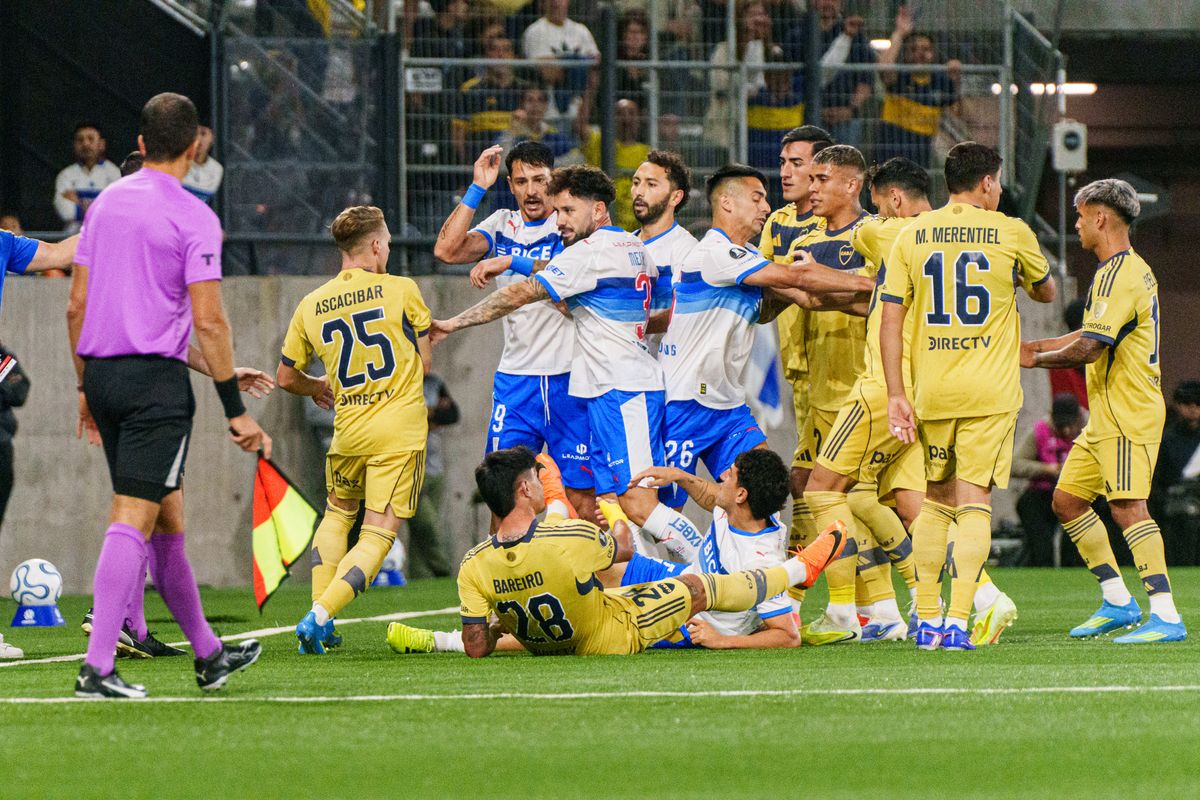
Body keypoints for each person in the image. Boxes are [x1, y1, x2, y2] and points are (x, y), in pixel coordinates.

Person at [66, 92, 270, 697]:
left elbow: (76, 304)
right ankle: (97, 667)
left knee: (164, 516)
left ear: (139, 143)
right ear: (195, 146)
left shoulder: (102, 205)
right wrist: (237, 413)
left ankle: (208, 655)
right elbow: (209, 322)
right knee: (132, 516)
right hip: (156, 384)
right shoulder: (195, 216)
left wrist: (82, 386)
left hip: (101, 376)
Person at [434, 165, 701, 561]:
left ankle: (710, 577)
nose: (559, 221)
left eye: (568, 211)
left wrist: (452, 323)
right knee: (612, 502)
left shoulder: (590, 254)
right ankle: (643, 591)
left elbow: (518, 296)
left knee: (639, 502)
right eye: (557, 211)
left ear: (597, 210)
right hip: (612, 389)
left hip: (622, 391)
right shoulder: (633, 248)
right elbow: (586, 299)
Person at [881, 141, 1056, 652]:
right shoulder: (1012, 232)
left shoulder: (914, 234)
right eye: (997, 182)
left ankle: (928, 619)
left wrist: (897, 393)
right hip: (989, 391)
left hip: (932, 389)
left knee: (935, 500)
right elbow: (1047, 291)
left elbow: (890, 316)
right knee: (974, 500)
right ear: (986, 183)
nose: (999, 189)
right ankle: (959, 620)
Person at [390, 448, 812, 653]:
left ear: (740, 495)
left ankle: (441, 641)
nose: (720, 474)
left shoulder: (761, 556)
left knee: (579, 622)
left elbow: (787, 637)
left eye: (730, 474)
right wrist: (681, 477)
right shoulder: (733, 507)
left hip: (695, 616)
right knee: (625, 532)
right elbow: (709, 496)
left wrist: (721, 641)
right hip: (684, 574)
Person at [659, 162, 872, 548]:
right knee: (662, 511)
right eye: (757, 198)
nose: (766, 207)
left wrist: (886, 303)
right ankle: (653, 584)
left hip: (726, 406)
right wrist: (875, 283)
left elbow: (808, 298)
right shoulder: (714, 253)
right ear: (726, 202)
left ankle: (759, 584)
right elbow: (799, 279)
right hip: (684, 401)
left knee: (765, 493)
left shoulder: (746, 256)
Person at [1021, 178, 1185, 644]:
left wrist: (1035, 358)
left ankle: (1167, 615)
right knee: (1067, 501)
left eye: (1079, 216)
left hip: (1129, 413)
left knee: (1128, 507)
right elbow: (1086, 336)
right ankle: (1117, 600)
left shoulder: (1119, 274)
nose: (1075, 225)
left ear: (1100, 217)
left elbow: (1089, 349)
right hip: (1108, 416)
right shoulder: (1120, 271)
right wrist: (1029, 348)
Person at [276, 205, 432, 653]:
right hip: (397, 433)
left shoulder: (311, 305)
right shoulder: (402, 289)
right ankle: (320, 615)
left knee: (337, 514)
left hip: (347, 432)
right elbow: (425, 364)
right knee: (380, 530)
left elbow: (286, 377)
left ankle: (321, 619)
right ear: (378, 245)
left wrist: (316, 387)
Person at [440, 142, 595, 526]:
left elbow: (569, 285)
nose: (531, 190)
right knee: (503, 493)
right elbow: (446, 249)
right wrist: (478, 187)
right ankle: (504, 583)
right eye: (522, 181)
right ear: (511, 184)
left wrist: (512, 261)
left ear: (553, 180)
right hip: (516, 382)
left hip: (570, 379)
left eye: (540, 180)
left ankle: (585, 582)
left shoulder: (568, 224)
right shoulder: (501, 225)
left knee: (579, 497)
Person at [756, 125, 832, 569]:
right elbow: (764, 296)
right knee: (810, 484)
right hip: (800, 373)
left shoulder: (841, 223)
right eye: (783, 162)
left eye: (796, 163)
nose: (785, 172)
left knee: (821, 485)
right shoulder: (779, 223)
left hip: (843, 371)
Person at [875, 6, 961, 167]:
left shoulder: (940, 81)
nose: (920, 54)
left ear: (933, 53)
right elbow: (885, 69)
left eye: (926, 49)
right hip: (888, 156)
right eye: (914, 49)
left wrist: (956, 80)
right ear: (906, 54)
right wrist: (899, 34)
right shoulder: (900, 76)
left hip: (920, 159)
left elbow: (957, 112)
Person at [782, 0, 875, 146]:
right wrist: (813, 110)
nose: (828, 3)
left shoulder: (856, 35)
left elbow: (866, 80)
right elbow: (789, 80)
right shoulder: (797, 34)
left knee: (844, 165)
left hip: (845, 118)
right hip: (803, 116)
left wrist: (850, 109)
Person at [1012, 394, 1084, 567]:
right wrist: (1045, 469)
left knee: (1075, 547)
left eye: (1070, 425)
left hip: (1078, 494)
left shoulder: (1090, 430)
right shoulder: (1040, 431)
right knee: (1041, 547)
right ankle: (1042, 566)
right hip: (1043, 493)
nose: (1066, 431)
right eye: (1061, 426)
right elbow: (1014, 465)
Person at [406, 374, 460, 579]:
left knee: (426, 527)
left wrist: (428, 415)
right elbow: (404, 418)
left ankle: (420, 576)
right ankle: (443, 569)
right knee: (425, 524)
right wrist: (430, 413)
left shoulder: (434, 382)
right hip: (411, 468)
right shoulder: (401, 378)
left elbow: (453, 414)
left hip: (434, 468)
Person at [521, 0, 599, 140]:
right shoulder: (535, 31)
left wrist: (583, 118)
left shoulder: (581, 31)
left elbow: (594, 74)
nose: (555, 2)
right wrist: (579, 62)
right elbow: (548, 73)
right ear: (542, 3)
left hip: (578, 116)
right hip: (546, 119)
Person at [451, 34, 530, 164]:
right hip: (481, 166)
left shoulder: (527, 91)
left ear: (515, 56)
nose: (501, 55)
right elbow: (458, 134)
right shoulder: (470, 89)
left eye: (506, 50)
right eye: (494, 49)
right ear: (485, 56)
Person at [582, 98, 650, 231]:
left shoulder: (647, 153)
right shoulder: (599, 142)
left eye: (631, 113)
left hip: (635, 228)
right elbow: (579, 125)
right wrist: (591, 87)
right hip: (601, 226)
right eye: (620, 113)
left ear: (639, 119)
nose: (626, 118)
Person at [1156, 382, 1200, 566]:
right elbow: (1156, 478)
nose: (1193, 409)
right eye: (1187, 404)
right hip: (1173, 508)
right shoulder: (1165, 438)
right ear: (1178, 405)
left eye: (1197, 404)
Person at [54, 122, 122, 232]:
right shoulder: (65, 175)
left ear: (101, 144)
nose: (85, 144)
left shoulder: (115, 174)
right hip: (72, 240)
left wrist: (79, 204)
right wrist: (101, 203)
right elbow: (65, 212)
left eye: (91, 139)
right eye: (80, 140)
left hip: (106, 238)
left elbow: (117, 211)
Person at [182, 125, 224, 204]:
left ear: (212, 138)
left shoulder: (217, 169)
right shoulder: (177, 163)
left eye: (203, 134)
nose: (198, 139)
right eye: (194, 134)